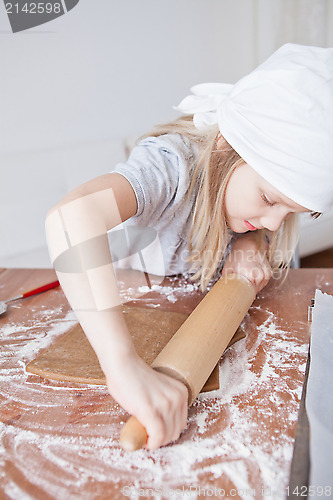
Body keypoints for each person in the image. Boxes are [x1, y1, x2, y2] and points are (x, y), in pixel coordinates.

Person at [45, 43, 333, 450]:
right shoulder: (169, 168)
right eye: (269, 200)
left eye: (294, 212)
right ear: (224, 149)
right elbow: (70, 217)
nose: (275, 221)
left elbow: (265, 219)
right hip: (137, 309)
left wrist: (253, 239)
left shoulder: (257, 206)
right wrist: (123, 365)